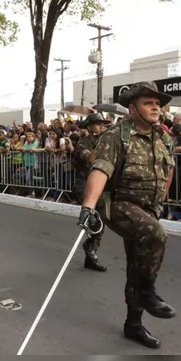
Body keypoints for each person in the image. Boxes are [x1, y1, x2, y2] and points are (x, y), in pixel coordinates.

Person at [79, 81, 176, 350]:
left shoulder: (163, 137)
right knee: (154, 234)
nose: (156, 107)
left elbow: (169, 169)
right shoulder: (116, 135)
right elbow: (100, 170)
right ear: (132, 109)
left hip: (148, 208)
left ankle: (133, 324)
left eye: (158, 103)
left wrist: (162, 199)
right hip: (119, 204)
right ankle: (147, 292)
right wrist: (88, 206)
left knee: (138, 262)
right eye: (148, 103)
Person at [73, 113, 110, 272]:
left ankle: (91, 250)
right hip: (84, 185)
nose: (102, 126)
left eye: (103, 123)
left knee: (102, 219)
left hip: (101, 186)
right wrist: (103, 142)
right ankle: (90, 249)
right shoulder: (83, 142)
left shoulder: (105, 141)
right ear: (89, 127)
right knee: (95, 218)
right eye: (97, 123)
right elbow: (90, 159)